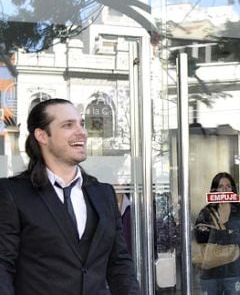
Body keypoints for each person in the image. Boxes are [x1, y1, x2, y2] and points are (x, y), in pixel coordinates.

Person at [0, 98, 139, 294]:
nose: (81, 132)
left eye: (81, 124)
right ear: (42, 135)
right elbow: (3, 267)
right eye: (68, 125)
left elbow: (119, 263)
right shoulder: (13, 193)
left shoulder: (104, 194)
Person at [194, 172, 240, 295]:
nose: (224, 189)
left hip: (234, 272)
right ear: (214, 190)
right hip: (210, 273)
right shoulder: (205, 213)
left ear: (233, 190)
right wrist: (224, 225)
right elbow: (201, 239)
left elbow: (237, 239)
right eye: (220, 186)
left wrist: (220, 228)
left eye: (228, 186)